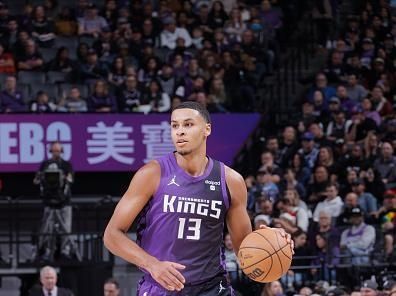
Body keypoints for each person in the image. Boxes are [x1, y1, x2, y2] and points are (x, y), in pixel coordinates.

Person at [104, 102, 293, 295]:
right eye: (175, 125)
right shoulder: (152, 174)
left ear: (206, 129)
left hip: (212, 287)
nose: (180, 131)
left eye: (188, 124)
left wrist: (273, 244)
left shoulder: (231, 181)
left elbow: (245, 255)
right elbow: (112, 235)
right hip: (162, 287)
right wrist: (152, 264)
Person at [33, 142, 78, 261]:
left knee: (66, 229)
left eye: (58, 151)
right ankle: (47, 250)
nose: (56, 153)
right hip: (48, 201)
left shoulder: (66, 165)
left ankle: (65, 251)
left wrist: (63, 178)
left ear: (62, 151)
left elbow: (71, 179)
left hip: (64, 202)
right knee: (46, 228)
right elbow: (36, 181)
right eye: (54, 151)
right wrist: (42, 176)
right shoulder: (45, 164)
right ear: (50, 151)